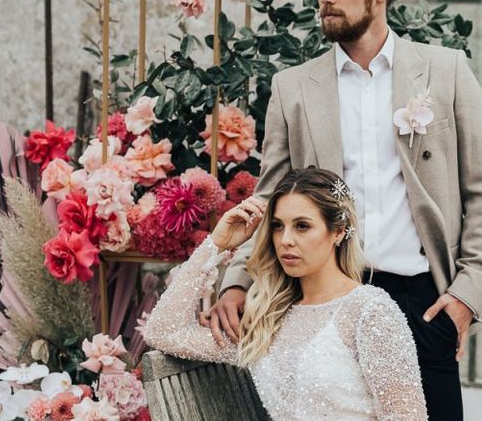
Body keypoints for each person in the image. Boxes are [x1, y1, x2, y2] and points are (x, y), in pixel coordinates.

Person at [210, 0, 482, 420]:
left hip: (422, 302)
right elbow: (270, 198)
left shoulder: (445, 71)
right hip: (327, 299)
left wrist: (465, 296)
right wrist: (236, 280)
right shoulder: (294, 88)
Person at [143, 167, 427, 420]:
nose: (286, 240)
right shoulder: (267, 317)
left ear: (338, 232)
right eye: (278, 226)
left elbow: (406, 416)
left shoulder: (371, 312)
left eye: (302, 226)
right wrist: (216, 244)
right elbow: (163, 331)